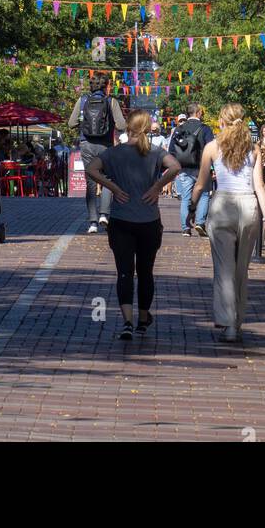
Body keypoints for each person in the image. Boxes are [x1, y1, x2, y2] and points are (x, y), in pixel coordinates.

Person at [84, 110, 180, 340]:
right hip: (149, 220)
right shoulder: (155, 151)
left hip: (121, 220)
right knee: (146, 273)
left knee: (125, 273)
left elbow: (90, 169)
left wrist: (113, 187)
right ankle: (143, 319)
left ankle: (127, 320)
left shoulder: (114, 153)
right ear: (147, 128)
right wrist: (157, 187)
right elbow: (175, 166)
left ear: (128, 127)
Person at [188, 104, 265, 342]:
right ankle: (236, 321)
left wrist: (192, 207)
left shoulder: (212, 148)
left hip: (222, 207)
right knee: (241, 269)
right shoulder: (254, 148)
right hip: (249, 207)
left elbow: (201, 184)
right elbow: (260, 185)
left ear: (221, 122)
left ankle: (228, 322)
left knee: (224, 269)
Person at [68, 83, 127, 234]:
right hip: (105, 145)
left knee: (90, 181)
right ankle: (104, 214)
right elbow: (121, 124)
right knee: (107, 178)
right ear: (106, 86)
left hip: (86, 144)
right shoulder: (111, 101)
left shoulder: (82, 100)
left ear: (91, 86)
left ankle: (93, 221)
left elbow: (71, 123)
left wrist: (84, 122)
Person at [168, 104, 215, 236]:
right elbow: (211, 147)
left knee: (185, 198)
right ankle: (200, 223)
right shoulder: (205, 129)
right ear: (199, 113)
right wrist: (213, 167)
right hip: (202, 167)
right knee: (205, 195)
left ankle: (185, 228)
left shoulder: (179, 128)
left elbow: (171, 150)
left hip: (183, 168)